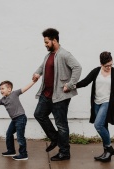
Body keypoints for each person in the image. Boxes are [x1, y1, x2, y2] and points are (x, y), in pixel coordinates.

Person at [32, 28, 82, 161]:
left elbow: (77, 67)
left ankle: (64, 152)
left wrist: (70, 84)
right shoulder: (48, 55)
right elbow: (43, 67)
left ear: (54, 40)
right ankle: (55, 139)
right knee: (39, 114)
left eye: (47, 42)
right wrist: (37, 73)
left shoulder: (64, 54)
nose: (45, 44)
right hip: (46, 94)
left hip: (60, 96)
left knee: (61, 124)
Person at [75, 51, 114, 162]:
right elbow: (85, 82)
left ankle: (109, 148)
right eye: (106, 66)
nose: (109, 67)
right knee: (104, 126)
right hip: (96, 103)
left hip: (109, 102)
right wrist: (72, 86)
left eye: (111, 65)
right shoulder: (96, 71)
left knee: (98, 125)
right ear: (101, 64)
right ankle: (107, 154)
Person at [0, 80, 36, 160]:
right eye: (0, 89)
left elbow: (25, 88)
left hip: (21, 118)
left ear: (9, 89)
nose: (1, 91)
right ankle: (11, 151)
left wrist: (34, 81)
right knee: (9, 134)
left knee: (20, 137)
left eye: (2, 88)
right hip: (14, 119)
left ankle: (23, 154)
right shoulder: (3, 100)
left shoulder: (15, 93)